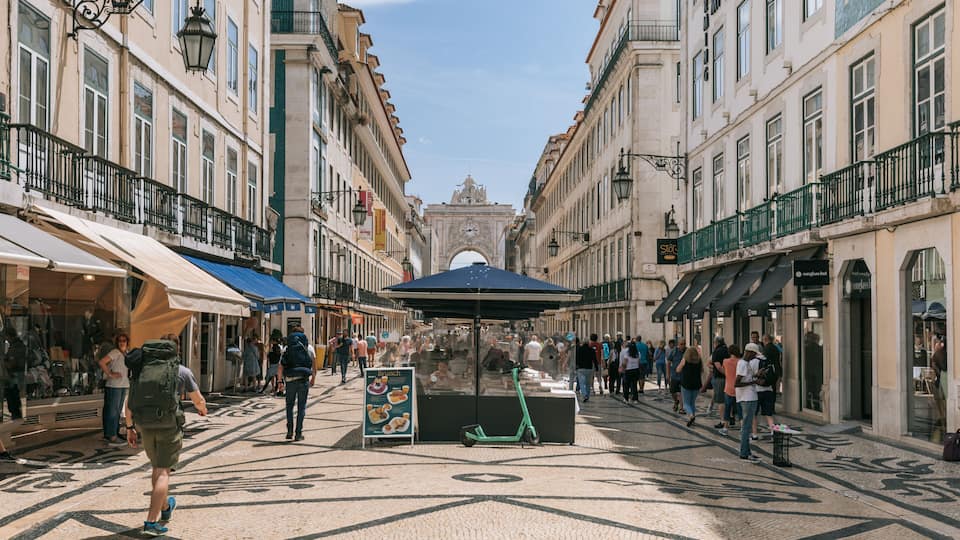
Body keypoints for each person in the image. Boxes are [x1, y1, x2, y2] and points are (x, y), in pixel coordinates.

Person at [125, 334, 207, 536]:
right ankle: (151, 522)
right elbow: (197, 399)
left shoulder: (142, 369)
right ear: (176, 349)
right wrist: (202, 409)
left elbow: (130, 401)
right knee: (163, 472)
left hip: (144, 425)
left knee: (157, 468)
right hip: (168, 425)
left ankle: (165, 507)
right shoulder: (181, 371)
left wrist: (129, 427)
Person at [279, 326, 316, 441]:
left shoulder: (287, 348)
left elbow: (281, 366)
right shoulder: (308, 347)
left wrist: (280, 381)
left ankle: (289, 430)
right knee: (301, 407)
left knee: (289, 406)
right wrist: (313, 378)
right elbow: (314, 364)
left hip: (290, 380)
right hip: (303, 379)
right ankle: (298, 433)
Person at [98, 334, 130, 446]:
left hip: (122, 385)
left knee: (116, 411)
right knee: (112, 411)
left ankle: (113, 433)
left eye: (124, 340)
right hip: (114, 386)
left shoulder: (126, 353)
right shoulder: (115, 352)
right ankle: (112, 435)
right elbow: (102, 362)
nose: (122, 342)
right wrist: (110, 374)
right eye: (120, 340)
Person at [735, 343, 762, 462]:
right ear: (749, 352)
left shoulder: (745, 364)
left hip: (749, 397)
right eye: (754, 354)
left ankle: (747, 451)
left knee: (747, 425)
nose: (755, 357)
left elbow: (746, 378)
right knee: (746, 426)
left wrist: (756, 375)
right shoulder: (743, 364)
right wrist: (753, 382)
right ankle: (744, 452)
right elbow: (737, 383)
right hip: (747, 398)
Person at [753, 344, 778, 439]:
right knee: (769, 413)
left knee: (754, 414)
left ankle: (754, 435)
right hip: (769, 390)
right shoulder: (768, 360)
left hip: (756, 391)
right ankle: (772, 431)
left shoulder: (753, 361)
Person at [677, 340, 703, 427]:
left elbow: (678, 369)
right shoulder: (699, 361)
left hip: (686, 383)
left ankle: (691, 416)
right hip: (696, 384)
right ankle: (693, 418)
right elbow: (702, 371)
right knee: (692, 403)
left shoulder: (685, 360)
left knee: (686, 404)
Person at [3, 327, 26, 420]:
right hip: (17, 377)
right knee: (15, 398)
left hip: (14, 377)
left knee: (12, 397)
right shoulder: (19, 345)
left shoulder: (15, 347)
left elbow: (12, 364)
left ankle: (15, 416)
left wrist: (3, 362)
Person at [719, 344, 741, 435]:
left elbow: (724, 372)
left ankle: (725, 428)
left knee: (727, 409)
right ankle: (742, 427)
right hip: (739, 389)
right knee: (740, 410)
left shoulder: (725, 361)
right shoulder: (741, 361)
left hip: (728, 388)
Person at [709, 337, 729, 429]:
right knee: (728, 400)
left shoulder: (716, 352)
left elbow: (718, 367)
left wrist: (726, 374)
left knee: (721, 400)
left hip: (720, 378)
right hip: (729, 379)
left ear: (716, 342)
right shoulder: (727, 350)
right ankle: (730, 418)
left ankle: (722, 421)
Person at [576, 337, 598, 402]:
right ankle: (587, 396)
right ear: (588, 342)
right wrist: (596, 368)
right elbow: (594, 359)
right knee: (588, 384)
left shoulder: (579, 349)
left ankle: (584, 395)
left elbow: (577, 358)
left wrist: (576, 366)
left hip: (581, 368)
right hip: (589, 368)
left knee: (581, 383)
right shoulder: (592, 350)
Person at [668, 339, 684, 413]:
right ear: (678, 344)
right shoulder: (674, 351)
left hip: (683, 376)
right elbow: (668, 363)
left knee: (681, 392)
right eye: (681, 344)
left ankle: (681, 408)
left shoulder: (687, 351)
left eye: (684, 344)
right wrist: (668, 375)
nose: (683, 346)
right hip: (674, 375)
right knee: (673, 392)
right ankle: (676, 401)